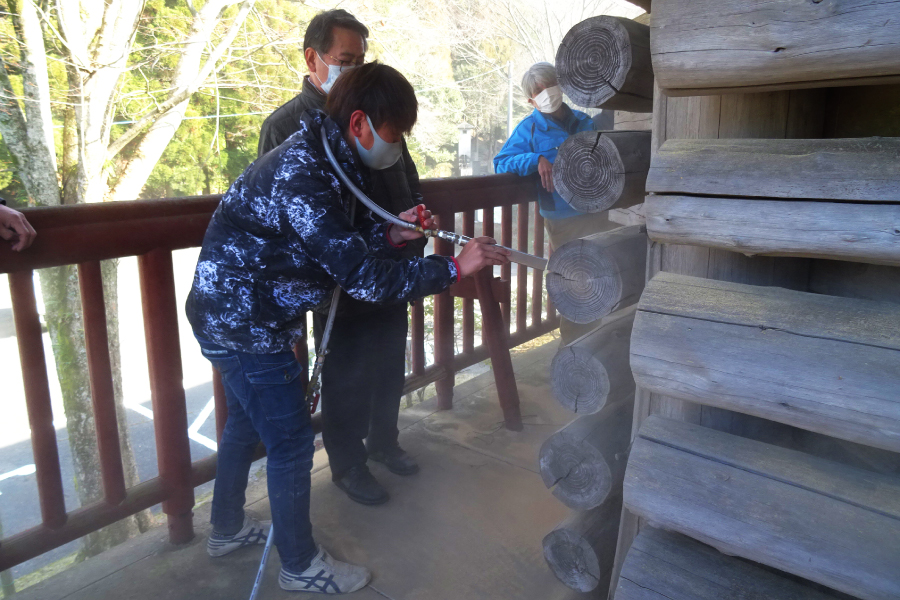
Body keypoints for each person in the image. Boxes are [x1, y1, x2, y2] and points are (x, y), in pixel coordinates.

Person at [186, 63, 508, 594]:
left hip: (251, 314)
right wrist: (453, 268)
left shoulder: (334, 158)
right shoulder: (303, 171)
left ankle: (225, 530)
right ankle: (300, 567)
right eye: (393, 132)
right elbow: (362, 279)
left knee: (245, 425)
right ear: (359, 122)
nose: (396, 144)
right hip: (241, 321)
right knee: (289, 442)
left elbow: (345, 248)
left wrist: (394, 235)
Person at [259, 9, 428, 506]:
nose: (353, 70)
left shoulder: (374, 107)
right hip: (340, 277)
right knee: (346, 372)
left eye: (360, 60)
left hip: (392, 265)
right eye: (344, 60)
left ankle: (384, 442)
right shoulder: (287, 126)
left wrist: (413, 221)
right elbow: (283, 214)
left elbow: (402, 173)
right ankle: (348, 463)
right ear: (313, 58)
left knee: (388, 360)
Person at [493, 62, 614, 251]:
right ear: (531, 101)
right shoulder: (528, 129)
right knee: (571, 272)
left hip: (598, 210)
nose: (547, 93)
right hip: (562, 219)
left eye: (550, 85)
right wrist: (536, 159)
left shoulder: (584, 121)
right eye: (538, 91)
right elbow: (500, 164)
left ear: (561, 86)